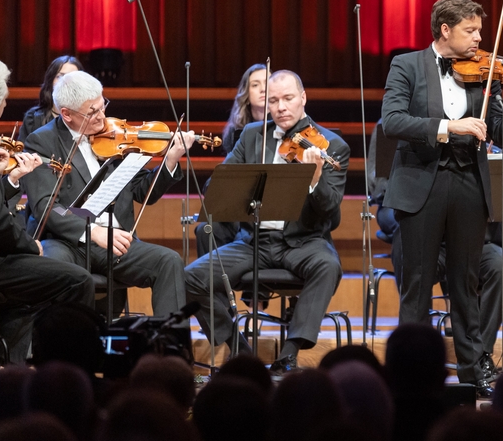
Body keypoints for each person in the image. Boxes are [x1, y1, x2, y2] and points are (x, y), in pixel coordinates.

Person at [381, 0, 503, 397]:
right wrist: (449, 127)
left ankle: (474, 372)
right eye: (470, 30)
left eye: (479, 30)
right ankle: (412, 378)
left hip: (469, 184)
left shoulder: (484, 72)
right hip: (421, 183)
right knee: (417, 286)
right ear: (445, 30)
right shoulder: (407, 65)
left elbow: (500, 130)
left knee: (466, 284)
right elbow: (393, 120)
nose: (478, 39)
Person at [184, 70, 348, 375]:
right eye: (273, 101)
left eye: (288, 98)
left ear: (303, 98)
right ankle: (239, 350)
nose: (281, 107)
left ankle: (289, 354)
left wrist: (315, 179)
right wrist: (242, 183)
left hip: (303, 242)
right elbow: (218, 185)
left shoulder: (332, 145)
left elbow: (330, 212)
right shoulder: (252, 135)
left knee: (328, 265)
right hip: (253, 243)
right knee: (190, 278)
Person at [21, 71, 194, 320]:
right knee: (55, 267)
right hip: (65, 242)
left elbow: (142, 191)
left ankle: (171, 342)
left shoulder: (115, 136)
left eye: (103, 106)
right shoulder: (42, 142)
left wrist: (170, 161)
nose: (102, 117)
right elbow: (48, 206)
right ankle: (63, 340)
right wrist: (92, 231)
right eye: (92, 112)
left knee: (169, 260)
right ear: (66, 114)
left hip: (114, 242)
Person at [0, 56, 93, 372]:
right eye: (4, 100)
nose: (5, 105)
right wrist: (30, 246)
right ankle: (67, 376)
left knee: (30, 289)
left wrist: (4, 177)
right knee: (76, 280)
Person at [195, 63, 267, 257]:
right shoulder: (237, 133)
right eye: (255, 85)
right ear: (246, 93)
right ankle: (216, 278)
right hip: (241, 208)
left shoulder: (285, 127)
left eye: (267, 83)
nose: (263, 89)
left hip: (273, 208)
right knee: (206, 230)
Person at [18, 56, 83, 142]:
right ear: (51, 80)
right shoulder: (33, 118)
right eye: (60, 76)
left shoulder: (86, 118)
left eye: (72, 77)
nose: (66, 82)